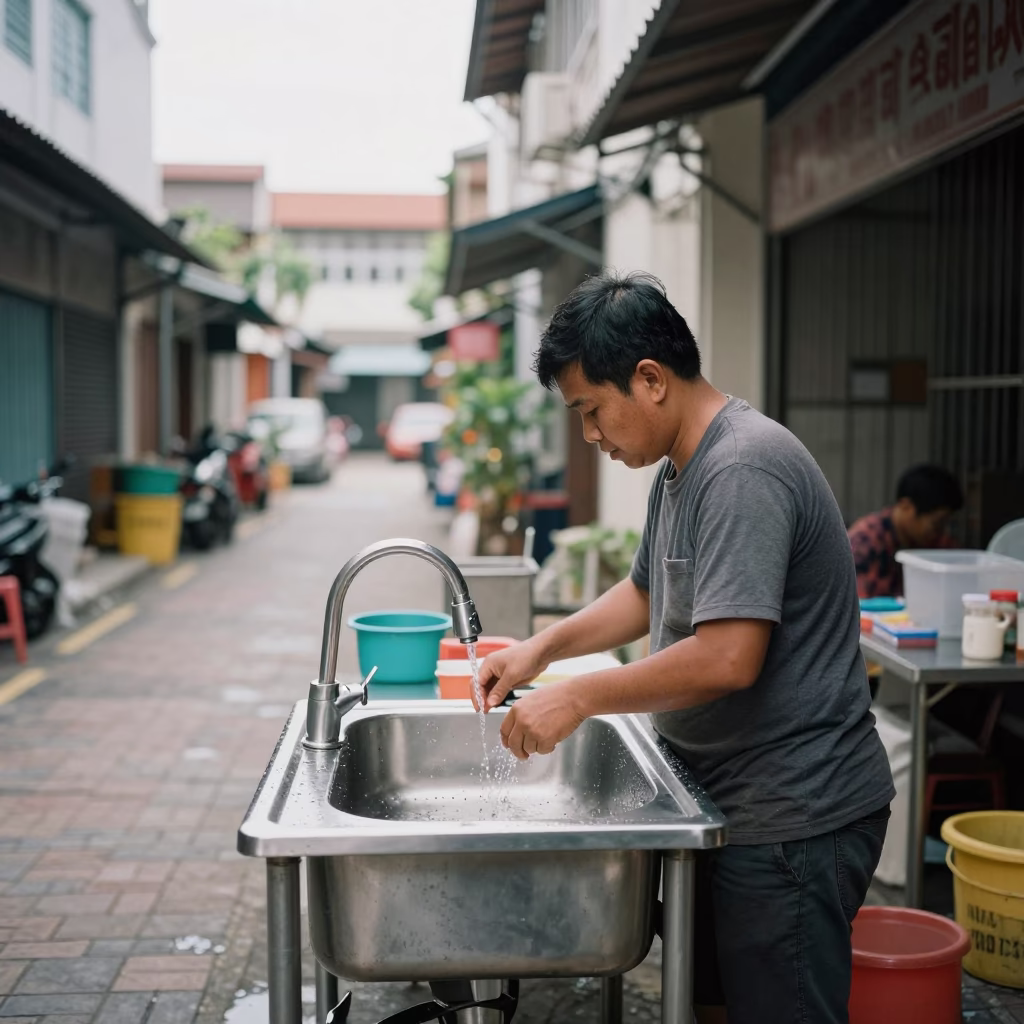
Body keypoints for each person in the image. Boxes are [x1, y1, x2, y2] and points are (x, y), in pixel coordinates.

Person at [475, 272, 894, 1024]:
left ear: (650, 380)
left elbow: (729, 656)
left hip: (794, 815)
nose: (591, 436)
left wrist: (580, 694)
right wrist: (542, 650)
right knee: (712, 1004)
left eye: (592, 411)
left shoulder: (742, 468)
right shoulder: (679, 467)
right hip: (727, 799)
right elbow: (643, 593)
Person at [847, 465, 963, 598]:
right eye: (937, 523)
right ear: (906, 507)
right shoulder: (865, 541)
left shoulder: (940, 543)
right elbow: (854, 604)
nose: (942, 532)